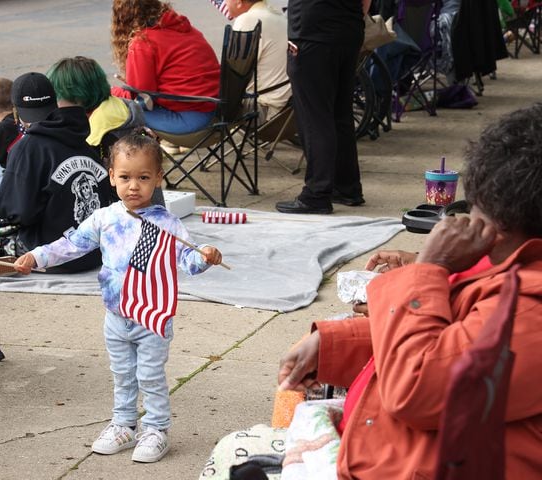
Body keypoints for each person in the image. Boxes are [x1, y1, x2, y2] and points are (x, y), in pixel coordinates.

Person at [277, 104, 542, 478]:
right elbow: (449, 335)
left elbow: (418, 387)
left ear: (501, 225)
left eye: (474, 211)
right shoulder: (508, 264)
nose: (464, 224)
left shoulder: (529, 308)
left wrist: (427, 270)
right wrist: (336, 343)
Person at [13, 129, 223, 463]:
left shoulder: (168, 225)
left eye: (143, 177)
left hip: (152, 317)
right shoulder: (105, 218)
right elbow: (71, 245)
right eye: (125, 177)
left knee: (150, 376)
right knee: (122, 374)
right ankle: (124, 424)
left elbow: (189, 260)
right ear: (111, 177)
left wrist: (206, 256)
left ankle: (156, 429)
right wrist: (36, 257)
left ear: (158, 178)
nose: (134, 186)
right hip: (116, 316)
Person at [0, 72, 110, 273]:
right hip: (97, 251)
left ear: (16, 111)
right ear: (54, 103)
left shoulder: (27, 147)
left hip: (53, 256)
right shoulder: (80, 136)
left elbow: (15, 213)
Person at [276, 0, 371, 215]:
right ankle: (346, 187)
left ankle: (317, 193)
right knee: (340, 113)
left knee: (315, 117)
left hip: (312, 32)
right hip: (348, 30)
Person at [109, 0, 221, 136]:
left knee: (111, 105)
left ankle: (127, 154)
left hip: (192, 120)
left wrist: (112, 92)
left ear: (121, 19)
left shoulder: (143, 42)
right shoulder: (185, 29)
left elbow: (143, 99)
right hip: (219, 110)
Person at [46, 56, 144, 162]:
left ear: (77, 95)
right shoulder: (117, 106)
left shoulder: (101, 129)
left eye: (58, 96)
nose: (55, 103)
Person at [225, 0, 291, 123]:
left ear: (239, 2)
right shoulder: (279, 16)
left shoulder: (248, 19)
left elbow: (233, 73)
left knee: (204, 98)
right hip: (288, 112)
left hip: (261, 112)